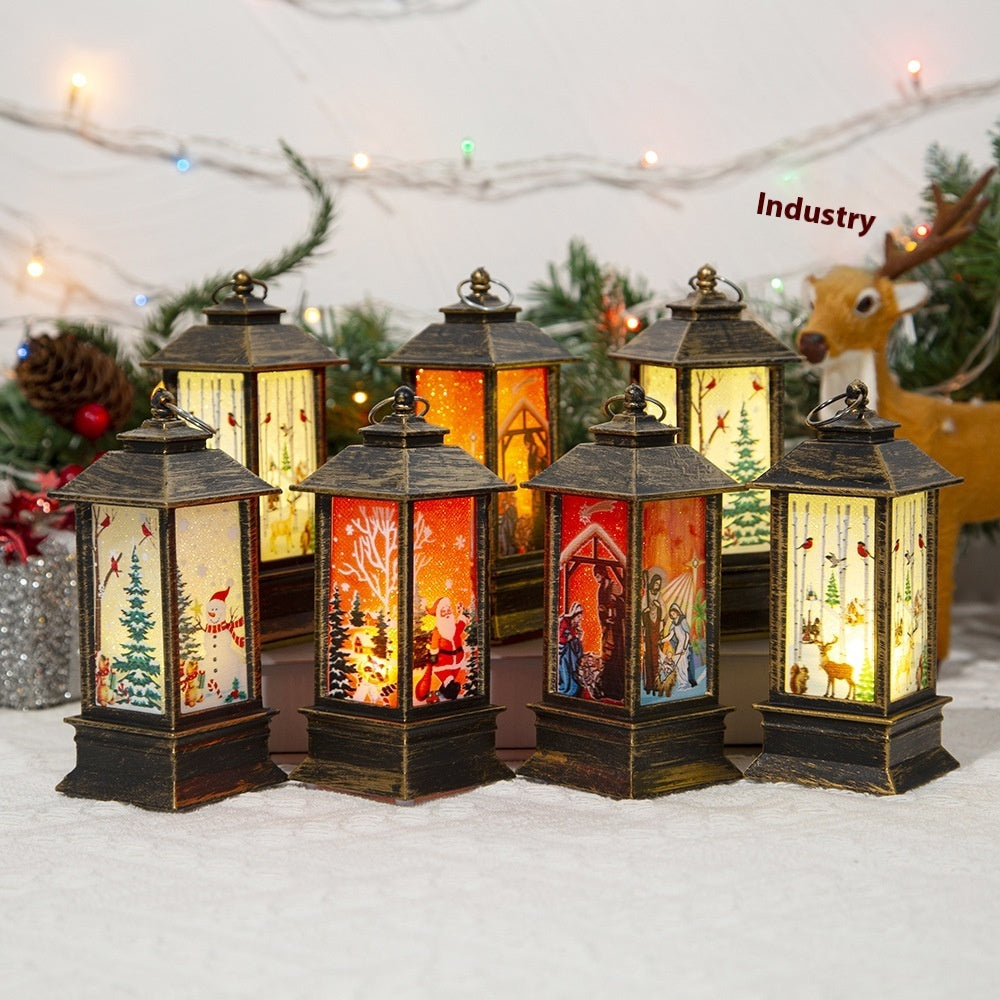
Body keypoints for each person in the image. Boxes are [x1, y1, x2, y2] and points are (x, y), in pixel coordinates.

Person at [595, 565, 625, 702]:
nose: (596, 579)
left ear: (602, 574)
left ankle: (618, 690)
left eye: (597, 575)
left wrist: (614, 608)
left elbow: (621, 603)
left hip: (617, 629)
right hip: (608, 627)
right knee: (607, 657)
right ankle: (607, 688)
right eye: (595, 576)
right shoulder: (601, 589)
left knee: (615, 656)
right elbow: (600, 608)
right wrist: (604, 619)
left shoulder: (613, 586)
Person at [641, 572, 664, 696]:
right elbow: (642, 610)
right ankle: (649, 684)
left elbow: (663, 612)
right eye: (656, 583)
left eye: (659, 584)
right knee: (649, 657)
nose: (657, 586)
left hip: (656, 629)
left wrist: (658, 607)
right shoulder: (646, 596)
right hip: (649, 630)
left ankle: (657, 684)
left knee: (656, 658)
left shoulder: (659, 596)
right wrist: (645, 612)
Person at [665, 603, 697, 689]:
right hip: (679, 646)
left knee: (685, 665)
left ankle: (688, 682)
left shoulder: (683, 621)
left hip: (685, 646)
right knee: (679, 665)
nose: (673, 615)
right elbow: (670, 636)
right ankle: (682, 683)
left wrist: (684, 648)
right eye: (671, 615)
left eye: (674, 613)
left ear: (677, 612)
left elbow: (687, 635)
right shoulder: (673, 624)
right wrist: (661, 641)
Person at [557, 602, 584, 696]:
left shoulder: (574, 626)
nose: (580, 619)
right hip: (565, 655)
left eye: (581, 617)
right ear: (574, 615)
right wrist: (568, 638)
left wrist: (578, 638)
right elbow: (560, 638)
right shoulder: (564, 622)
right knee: (566, 676)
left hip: (571, 656)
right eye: (578, 616)